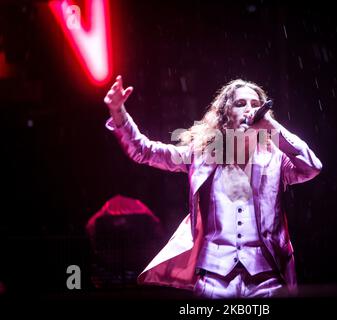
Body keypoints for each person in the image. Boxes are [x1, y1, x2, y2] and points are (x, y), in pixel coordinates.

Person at [103, 75, 322, 298]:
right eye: (240, 103)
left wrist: (272, 127)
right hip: (214, 279)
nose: (249, 110)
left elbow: (312, 167)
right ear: (225, 114)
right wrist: (118, 112)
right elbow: (145, 151)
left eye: (255, 105)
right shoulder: (201, 155)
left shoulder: (276, 158)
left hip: (267, 278)